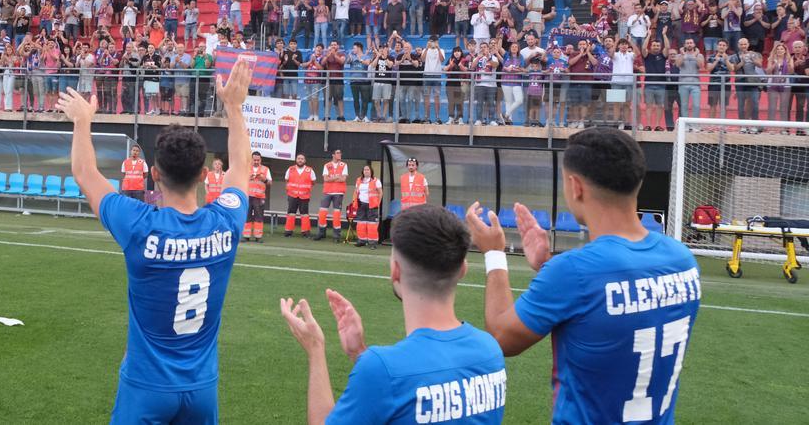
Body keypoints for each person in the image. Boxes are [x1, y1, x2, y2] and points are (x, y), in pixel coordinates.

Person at [56, 59, 254, 424]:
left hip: (147, 386)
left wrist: (83, 121)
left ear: (154, 173)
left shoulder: (139, 225)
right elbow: (242, 168)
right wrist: (234, 106)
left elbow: (86, 174)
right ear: (204, 175)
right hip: (201, 388)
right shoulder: (225, 222)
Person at [465, 128, 702, 424]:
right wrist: (547, 265)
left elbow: (502, 337)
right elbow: (606, 301)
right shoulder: (682, 259)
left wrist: (494, 253)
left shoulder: (575, 271)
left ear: (575, 186)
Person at [279, 205, 506, 424]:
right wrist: (359, 353)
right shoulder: (490, 350)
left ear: (395, 271)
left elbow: (400, 383)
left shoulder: (381, 369)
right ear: (463, 270)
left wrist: (315, 348)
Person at [315, 150, 348, 242]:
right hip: (327, 192)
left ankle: (336, 236)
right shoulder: (327, 165)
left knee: (336, 215)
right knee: (322, 213)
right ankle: (321, 233)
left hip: (338, 193)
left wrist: (331, 178)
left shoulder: (344, 165)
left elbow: (343, 179)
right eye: (338, 153)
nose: (340, 154)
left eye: (340, 153)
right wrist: (337, 177)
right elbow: (325, 179)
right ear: (333, 155)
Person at [283, 153, 317, 238]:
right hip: (292, 194)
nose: (300, 160)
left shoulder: (310, 170)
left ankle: (305, 232)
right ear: (296, 160)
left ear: (305, 160)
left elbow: (313, 182)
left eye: (302, 159)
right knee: (291, 213)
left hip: (304, 196)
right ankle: (288, 232)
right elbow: (286, 180)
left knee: (304, 214)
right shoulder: (290, 169)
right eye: (298, 158)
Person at [244, 151, 273, 242]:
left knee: (259, 216)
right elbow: (239, 179)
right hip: (247, 196)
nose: (256, 161)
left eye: (258, 160)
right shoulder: (246, 168)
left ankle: (258, 236)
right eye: (254, 160)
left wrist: (264, 180)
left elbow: (270, 183)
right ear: (251, 160)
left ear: (261, 160)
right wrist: (248, 178)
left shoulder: (265, 169)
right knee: (246, 215)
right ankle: (246, 236)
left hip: (259, 197)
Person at [352, 165, 382, 249]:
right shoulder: (358, 180)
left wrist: (378, 203)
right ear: (362, 171)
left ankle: (373, 243)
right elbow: (355, 191)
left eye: (368, 170)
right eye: (364, 170)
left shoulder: (376, 181)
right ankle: (362, 241)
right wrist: (355, 201)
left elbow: (380, 193)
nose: (366, 171)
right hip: (361, 204)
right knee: (361, 223)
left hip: (372, 205)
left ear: (371, 171)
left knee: (372, 225)